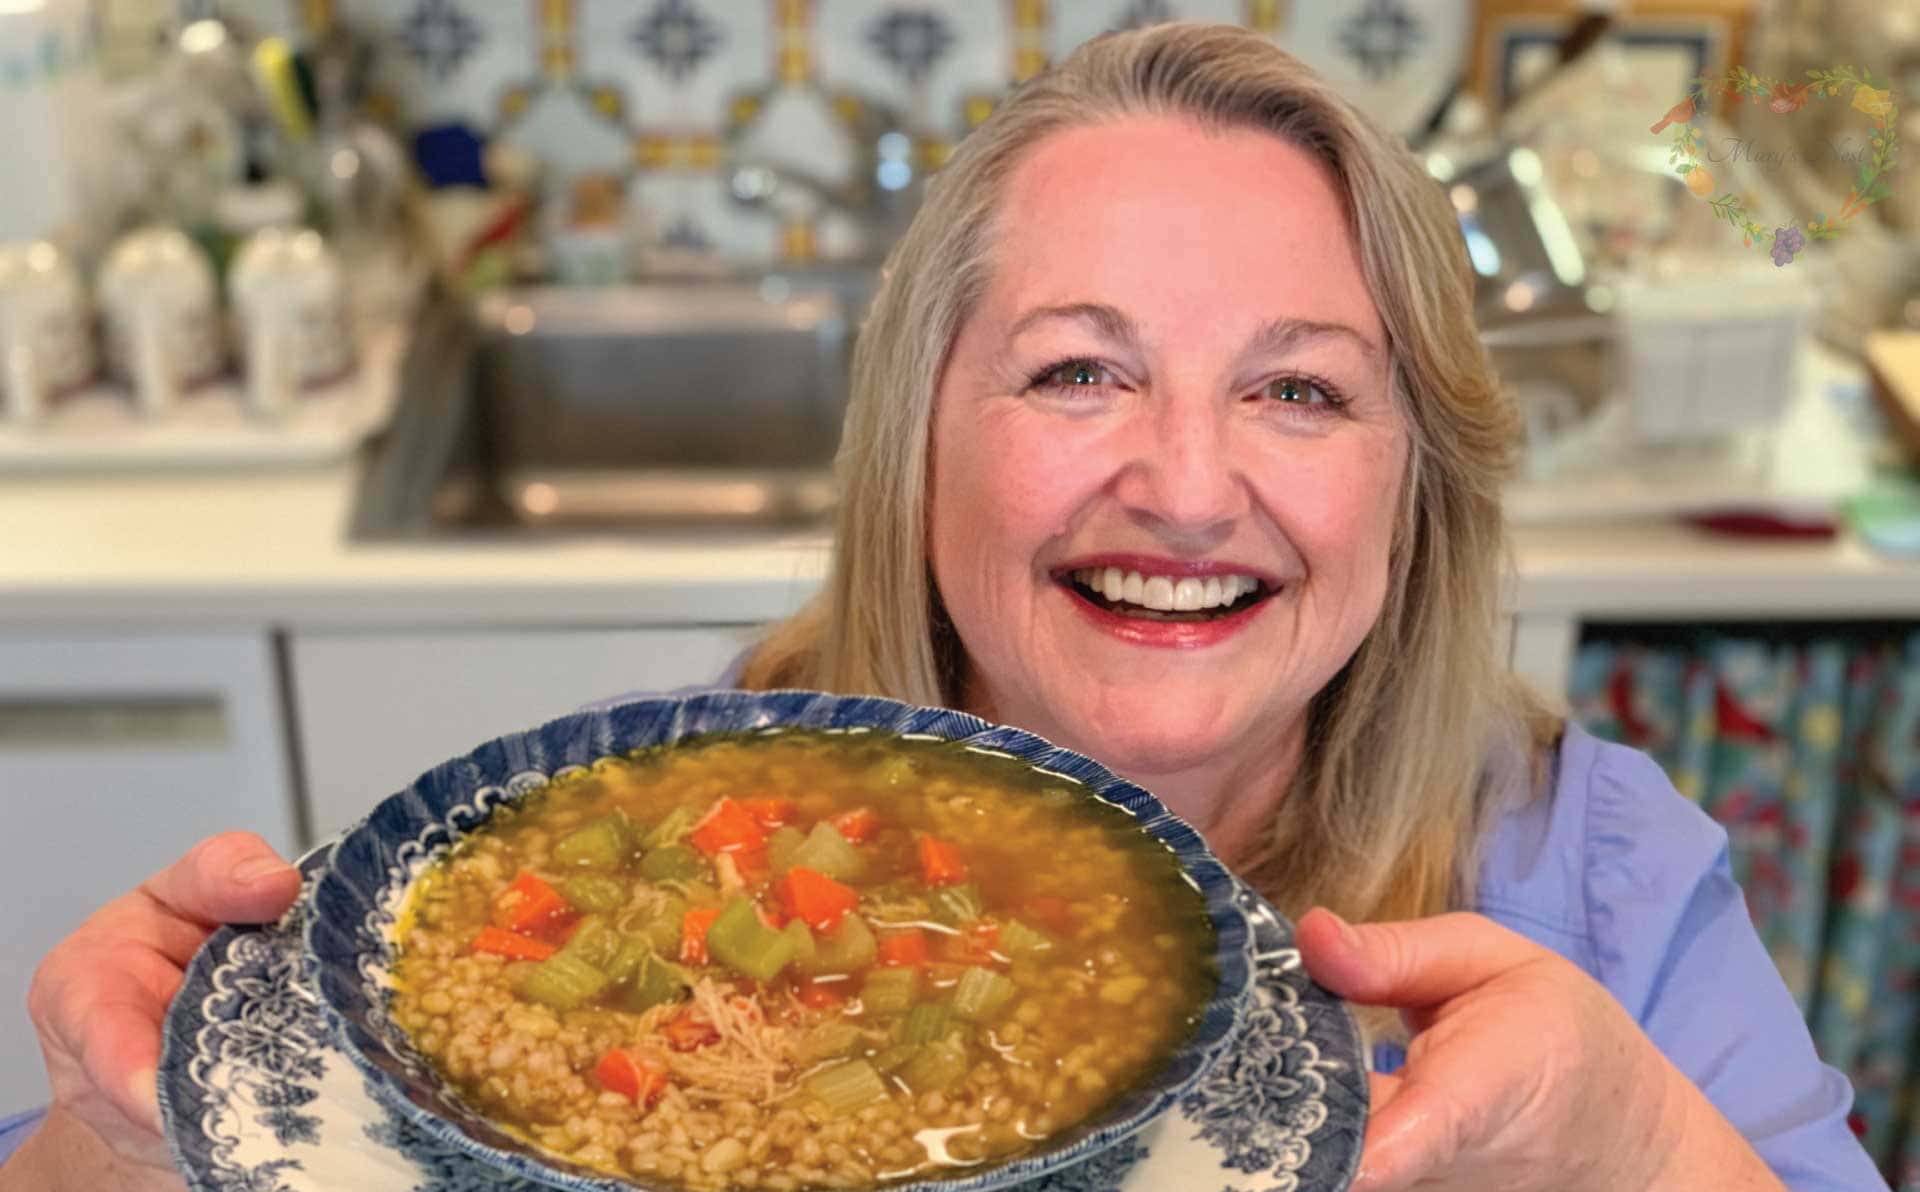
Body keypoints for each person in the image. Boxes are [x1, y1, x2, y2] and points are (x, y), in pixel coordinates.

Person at [0, 23, 1885, 1192]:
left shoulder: (1603, 886)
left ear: (1420, 482)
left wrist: (1633, 1153)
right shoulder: (655, 842)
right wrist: (124, 1134)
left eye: (1301, 390)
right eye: (1079, 372)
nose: (1189, 481)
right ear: (918, 444)